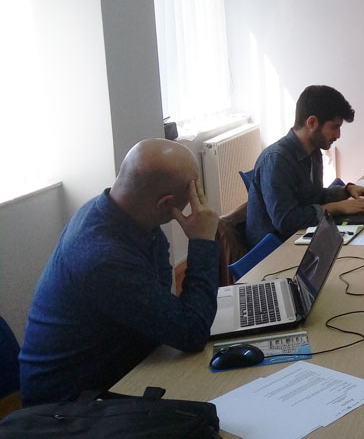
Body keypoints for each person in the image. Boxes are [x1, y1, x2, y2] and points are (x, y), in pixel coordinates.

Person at [19, 139, 220, 406]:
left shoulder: (120, 211)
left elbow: (161, 291)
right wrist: (203, 242)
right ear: (166, 204)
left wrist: (171, 317)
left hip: (114, 370)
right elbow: (192, 333)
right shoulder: (104, 257)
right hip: (69, 407)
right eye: (190, 201)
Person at [246, 85, 364, 248]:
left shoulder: (313, 151)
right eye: (335, 127)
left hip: (304, 238)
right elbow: (286, 221)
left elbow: (313, 197)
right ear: (311, 122)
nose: (338, 135)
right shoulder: (276, 160)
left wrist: (346, 191)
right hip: (276, 251)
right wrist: (338, 208)